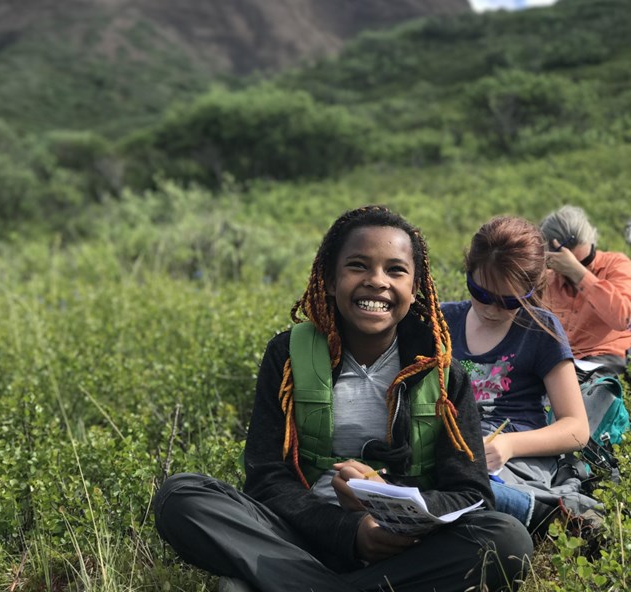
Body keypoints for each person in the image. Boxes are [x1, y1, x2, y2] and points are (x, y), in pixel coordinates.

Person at [153, 206, 532, 592]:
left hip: (405, 547)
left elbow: (471, 495)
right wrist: (348, 531)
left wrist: (391, 502)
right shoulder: (287, 356)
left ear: (415, 288)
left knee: (507, 538)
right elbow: (267, 479)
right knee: (181, 497)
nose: (376, 281)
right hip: (301, 537)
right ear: (331, 280)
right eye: (358, 266)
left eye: (395, 270)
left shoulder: (443, 373)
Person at [441, 216, 592, 536]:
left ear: (533, 290)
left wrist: (508, 444)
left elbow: (576, 429)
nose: (492, 309)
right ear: (468, 273)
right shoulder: (443, 321)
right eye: (480, 293)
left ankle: (538, 511)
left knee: (455, 486)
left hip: (514, 458)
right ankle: (525, 511)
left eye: (509, 301)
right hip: (451, 446)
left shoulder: (539, 329)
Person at [540, 205, 631, 377]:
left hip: (607, 359)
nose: (584, 267)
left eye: (587, 260)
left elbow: (623, 319)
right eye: (568, 264)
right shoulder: (547, 281)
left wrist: (578, 274)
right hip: (561, 363)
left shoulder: (616, 265)